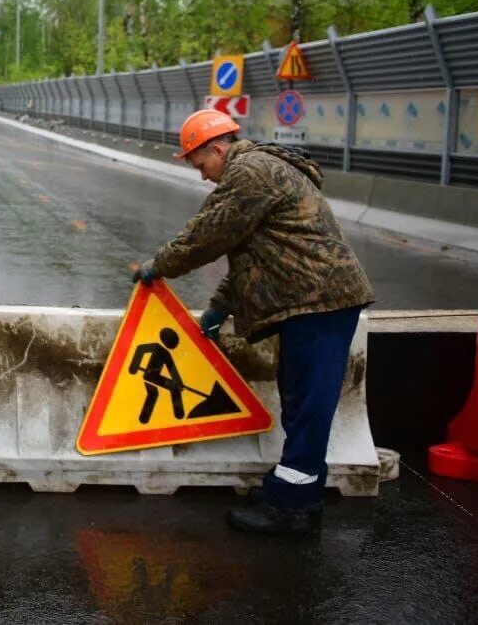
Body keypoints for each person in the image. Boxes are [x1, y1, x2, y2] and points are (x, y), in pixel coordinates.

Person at [133, 109, 374, 535]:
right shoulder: (257, 170)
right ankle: (297, 492)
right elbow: (254, 256)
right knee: (301, 402)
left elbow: (208, 235)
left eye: (201, 165)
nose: (204, 176)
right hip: (311, 302)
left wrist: (160, 265)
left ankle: (292, 510)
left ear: (217, 149)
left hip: (320, 301)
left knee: (308, 408)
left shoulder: (251, 172)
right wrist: (220, 306)